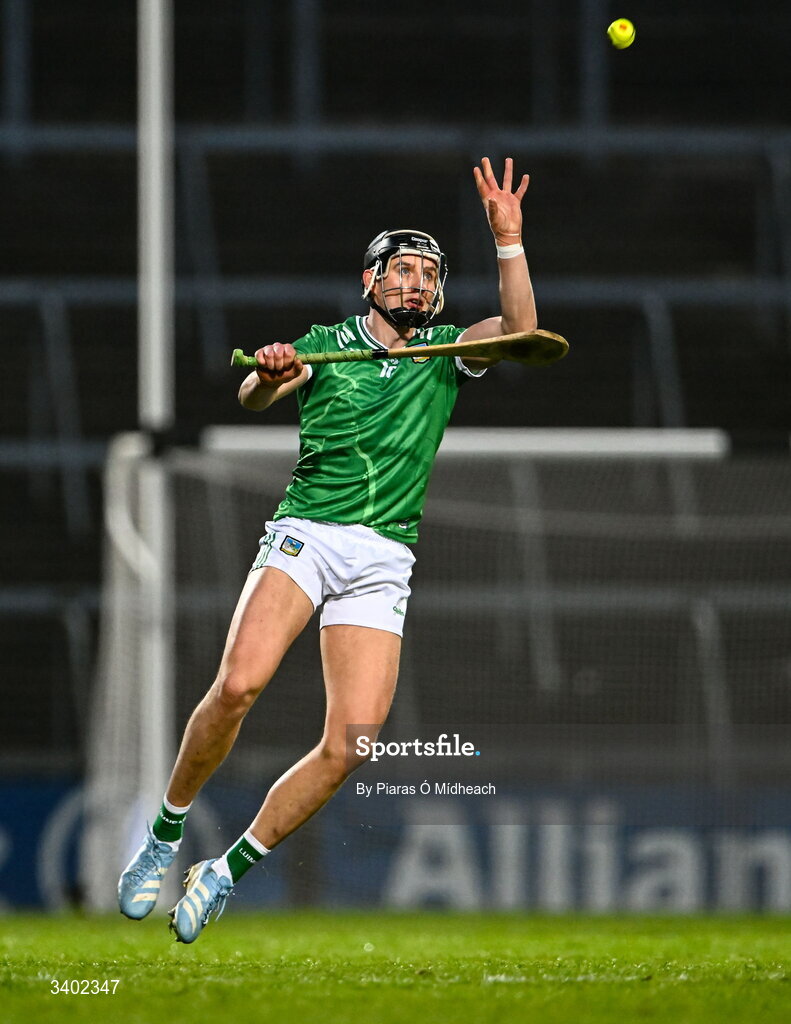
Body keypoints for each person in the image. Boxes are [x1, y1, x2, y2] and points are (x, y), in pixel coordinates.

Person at [117, 156, 537, 942]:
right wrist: (272, 372)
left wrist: (506, 240)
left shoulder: (444, 353)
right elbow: (257, 392)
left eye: (427, 274)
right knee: (239, 685)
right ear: (370, 280)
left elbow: (520, 333)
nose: (414, 285)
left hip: (384, 559)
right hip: (308, 534)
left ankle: (225, 871)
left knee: (351, 744)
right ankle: (165, 837)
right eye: (402, 271)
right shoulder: (324, 343)